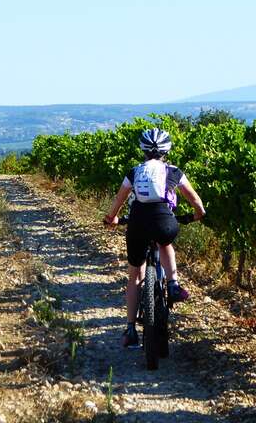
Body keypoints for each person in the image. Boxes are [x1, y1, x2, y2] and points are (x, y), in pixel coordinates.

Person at [103, 128, 205, 347]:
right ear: (166, 151)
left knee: (135, 275)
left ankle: (130, 329)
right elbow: (194, 199)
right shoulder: (173, 171)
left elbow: (119, 200)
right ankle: (174, 284)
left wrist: (111, 218)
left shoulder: (135, 172)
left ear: (143, 150)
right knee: (165, 242)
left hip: (138, 221)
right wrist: (198, 214)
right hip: (163, 219)